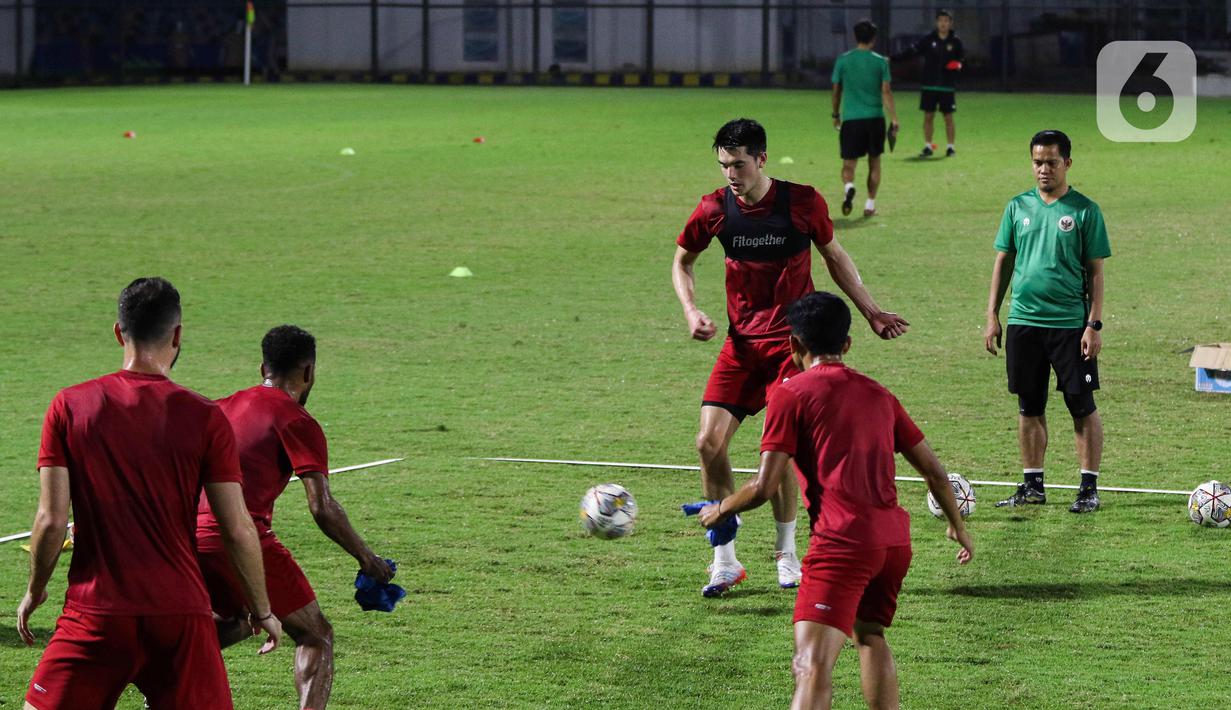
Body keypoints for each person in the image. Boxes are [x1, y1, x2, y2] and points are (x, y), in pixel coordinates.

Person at [697, 291, 973, 710]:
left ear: (793, 344)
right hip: (894, 545)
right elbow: (935, 472)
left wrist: (721, 508)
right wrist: (957, 525)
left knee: (810, 663)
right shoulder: (879, 394)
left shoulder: (790, 394)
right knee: (870, 636)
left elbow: (765, 486)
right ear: (847, 343)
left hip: (842, 545)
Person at [671, 118, 909, 598]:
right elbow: (682, 261)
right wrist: (691, 310)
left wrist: (871, 311)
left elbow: (835, 256)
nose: (731, 174)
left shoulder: (802, 202)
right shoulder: (714, 208)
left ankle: (786, 554)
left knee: (774, 455)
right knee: (707, 444)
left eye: (739, 164)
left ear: (761, 159)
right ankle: (725, 561)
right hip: (741, 347)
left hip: (792, 350)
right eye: (723, 165)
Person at [17, 277, 280, 710]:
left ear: (118, 332)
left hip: (95, 614)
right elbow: (236, 527)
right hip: (181, 615)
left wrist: (35, 590)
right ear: (177, 335)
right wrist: (261, 608)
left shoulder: (70, 405)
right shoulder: (205, 417)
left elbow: (50, 520)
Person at [196, 324, 394, 710]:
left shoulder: (217, 407)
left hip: (185, 537)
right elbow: (322, 507)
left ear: (262, 369)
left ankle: (162, 675)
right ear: (308, 372)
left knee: (240, 619)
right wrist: (367, 559)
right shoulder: (296, 420)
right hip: (238, 536)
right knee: (316, 635)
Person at [984, 130, 1111, 514]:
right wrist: (992, 314)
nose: (1044, 169)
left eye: (1051, 162)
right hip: (1024, 321)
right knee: (1029, 405)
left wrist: (1094, 324)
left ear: (1067, 163)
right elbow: (1004, 261)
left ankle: (1088, 488)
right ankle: (1032, 485)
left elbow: (1096, 272)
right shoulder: (1017, 207)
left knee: (1080, 404)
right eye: (1038, 162)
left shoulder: (1085, 211)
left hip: (1070, 324)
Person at [831, 19, 899, 218]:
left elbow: (836, 91)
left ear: (855, 37)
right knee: (874, 162)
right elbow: (886, 92)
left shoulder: (843, 60)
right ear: (873, 39)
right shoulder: (880, 61)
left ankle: (849, 187)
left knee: (849, 163)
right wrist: (894, 118)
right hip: (875, 120)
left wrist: (836, 114)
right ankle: (870, 204)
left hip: (851, 120)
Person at [892, 9, 964, 158]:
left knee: (948, 117)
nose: (943, 23)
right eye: (941, 20)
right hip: (929, 85)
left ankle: (950, 148)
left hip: (947, 86)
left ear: (951, 23)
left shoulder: (956, 42)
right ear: (937, 22)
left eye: (946, 21)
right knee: (928, 116)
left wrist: (958, 65)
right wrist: (894, 58)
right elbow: (912, 52)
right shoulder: (928, 39)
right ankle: (928, 146)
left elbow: (961, 60)